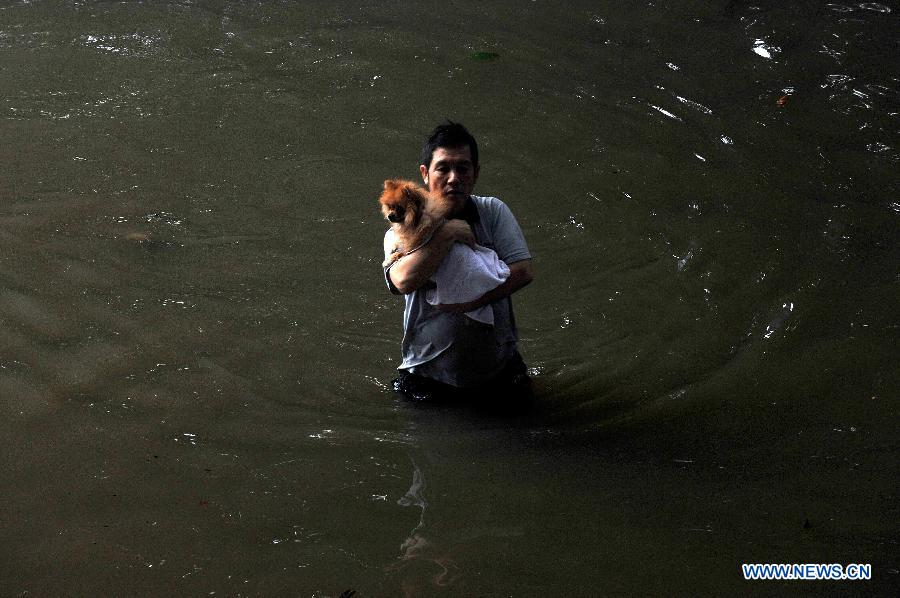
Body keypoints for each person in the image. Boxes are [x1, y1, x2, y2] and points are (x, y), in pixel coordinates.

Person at [382, 121, 534, 405]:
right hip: (428, 375)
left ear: (475, 173)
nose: (454, 178)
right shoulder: (402, 223)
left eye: (463, 168)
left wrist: (471, 303)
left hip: (498, 371)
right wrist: (449, 233)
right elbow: (402, 280)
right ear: (425, 174)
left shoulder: (492, 211)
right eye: (443, 168)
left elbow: (523, 272)